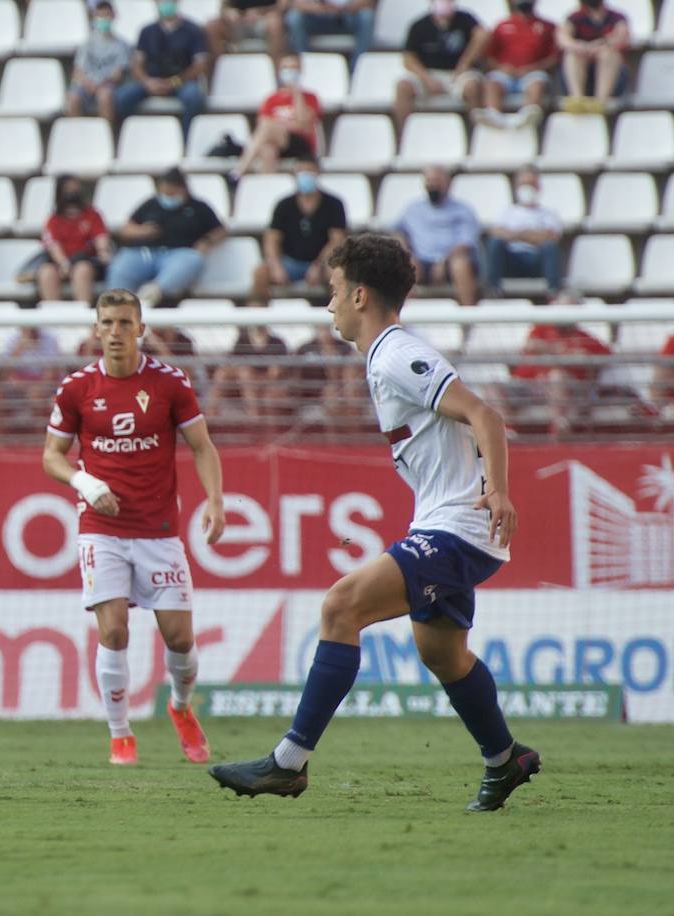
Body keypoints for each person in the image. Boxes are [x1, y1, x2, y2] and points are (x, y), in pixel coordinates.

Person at [209, 232, 539, 813]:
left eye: (333, 290)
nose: (328, 303)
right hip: (448, 523)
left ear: (360, 295)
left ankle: (288, 764)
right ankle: (504, 758)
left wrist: (499, 492)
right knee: (441, 653)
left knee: (341, 606)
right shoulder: (383, 356)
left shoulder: (395, 353)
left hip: (458, 526)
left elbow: (484, 413)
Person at [43, 288, 225, 765]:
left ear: (141, 328)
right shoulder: (76, 389)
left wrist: (215, 500)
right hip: (100, 529)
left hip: (159, 530)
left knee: (181, 639)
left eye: (126, 323)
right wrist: (84, 481)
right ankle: (120, 733)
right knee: (114, 630)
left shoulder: (170, 383)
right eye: (108, 323)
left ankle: (181, 708)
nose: (117, 332)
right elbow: (51, 457)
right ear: (95, 329)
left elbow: (203, 446)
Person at [105, 168, 226, 308]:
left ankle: (153, 293)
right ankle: (117, 304)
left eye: (172, 192)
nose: (167, 196)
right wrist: (142, 231)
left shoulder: (199, 207)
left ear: (183, 189)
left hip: (178, 253)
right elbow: (125, 229)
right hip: (144, 253)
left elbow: (221, 230)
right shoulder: (151, 204)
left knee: (193, 259)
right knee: (122, 263)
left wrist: (207, 241)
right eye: (165, 192)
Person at [508, 295, 611, 436]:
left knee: (557, 376)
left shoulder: (584, 338)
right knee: (492, 388)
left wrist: (578, 356)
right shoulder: (540, 330)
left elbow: (604, 357)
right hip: (529, 386)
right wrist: (559, 349)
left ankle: (559, 429)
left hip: (565, 390)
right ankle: (507, 432)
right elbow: (530, 346)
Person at [251, 156, 347, 300]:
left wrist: (319, 265)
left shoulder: (334, 204)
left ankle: (339, 319)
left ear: (318, 173)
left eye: (309, 171)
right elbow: (272, 239)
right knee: (261, 273)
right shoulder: (284, 204)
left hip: (322, 263)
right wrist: (276, 265)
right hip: (290, 262)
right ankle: (256, 318)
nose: (305, 175)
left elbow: (337, 240)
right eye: (301, 171)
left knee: (338, 276)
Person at [114, 0, 209, 137]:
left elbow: (200, 65)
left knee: (194, 97)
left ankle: (185, 140)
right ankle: (131, 137)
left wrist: (173, 82)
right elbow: (137, 63)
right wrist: (147, 81)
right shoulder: (147, 31)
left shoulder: (193, 30)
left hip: (180, 82)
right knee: (122, 97)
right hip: (151, 81)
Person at [395, 1, 487, 137]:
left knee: (472, 87)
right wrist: (426, 79)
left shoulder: (465, 19)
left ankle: (476, 135)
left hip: (458, 73)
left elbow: (482, 35)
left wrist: (464, 64)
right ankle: (402, 137)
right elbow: (408, 58)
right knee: (403, 86)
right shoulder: (419, 25)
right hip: (429, 73)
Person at [397, 165, 481, 307]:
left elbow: (466, 243)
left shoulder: (462, 210)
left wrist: (443, 260)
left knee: (460, 264)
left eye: (437, 180)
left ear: (447, 183)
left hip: (450, 261)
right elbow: (398, 231)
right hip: (421, 261)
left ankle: (468, 319)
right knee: (405, 265)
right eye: (430, 181)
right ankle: (401, 319)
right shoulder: (413, 209)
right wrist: (406, 251)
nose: (433, 185)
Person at [232, 54, 323, 176]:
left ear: (300, 70)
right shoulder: (271, 99)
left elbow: (304, 126)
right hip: (278, 143)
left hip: (301, 144)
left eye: (293, 68)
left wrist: (296, 93)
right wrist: (288, 124)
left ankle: (239, 171)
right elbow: (262, 126)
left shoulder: (311, 98)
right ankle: (267, 186)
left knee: (268, 128)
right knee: (267, 150)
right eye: (286, 68)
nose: (289, 72)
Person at [206, 299, 291, 424]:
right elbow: (231, 362)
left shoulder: (277, 342)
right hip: (243, 381)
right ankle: (210, 414)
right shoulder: (243, 340)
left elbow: (275, 373)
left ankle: (254, 417)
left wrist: (251, 375)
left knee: (246, 374)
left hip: (267, 382)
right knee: (224, 373)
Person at [483, 166, 562, 298]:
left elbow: (551, 237)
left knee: (550, 248)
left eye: (531, 184)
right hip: (511, 260)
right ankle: (492, 290)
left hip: (536, 260)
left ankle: (553, 293)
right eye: (523, 184)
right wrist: (528, 234)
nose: (527, 188)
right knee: (494, 244)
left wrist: (513, 235)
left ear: (538, 187)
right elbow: (495, 232)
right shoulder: (506, 212)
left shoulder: (549, 214)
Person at [478, 0, 559, 127]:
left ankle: (525, 120)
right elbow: (489, 57)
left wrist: (532, 68)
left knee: (537, 84)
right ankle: (495, 118)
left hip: (532, 74)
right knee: (492, 84)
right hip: (506, 74)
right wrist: (502, 68)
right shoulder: (502, 25)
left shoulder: (548, 26)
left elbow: (554, 58)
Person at [38, 175, 112, 304]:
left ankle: (82, 319)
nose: (72, 193)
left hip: (87, 262)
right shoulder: (54, 219)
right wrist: (63, 263)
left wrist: (103, 252)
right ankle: (54, 319)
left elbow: (101, 238)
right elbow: (53, 244)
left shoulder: (92, 215)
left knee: (81, 270)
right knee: (46, 273)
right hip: (62, 264)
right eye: (68, 189)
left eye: (75, 189)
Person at [557, 0, 628, 114]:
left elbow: (622, 37)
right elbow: (563, 38)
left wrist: (601, 45)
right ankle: (577, 98)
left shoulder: (617, 17)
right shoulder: (575, 17)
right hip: (584, 71)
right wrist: (582, 47)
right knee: (572, 55)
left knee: (609, 54)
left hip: (612, 75)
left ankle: (601, 101)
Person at [67, 2, 132, 121]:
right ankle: (76, 133)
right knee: (73, 97)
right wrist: (89, 84)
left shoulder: (121, 45)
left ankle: (107, 135)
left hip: (107, 85)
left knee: (105, 97)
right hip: (86, 85)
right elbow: (78, 72)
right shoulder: (87, 43)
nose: (103, 19)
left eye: (106, 15)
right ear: (94, 17)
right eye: (100, 15)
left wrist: (100, 84)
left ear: (113, 16)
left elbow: (118, 75)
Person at [286, 0, 375, 72]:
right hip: (315, 15)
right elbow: (293, 3)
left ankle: (357, 71)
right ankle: (305, 68)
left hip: (346, 15)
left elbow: (367, 2)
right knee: (294, 17)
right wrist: (315, 7)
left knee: (367, 16)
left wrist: (343, 8)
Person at [205, 1, 287, 68]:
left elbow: (282, 5)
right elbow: (224, 7)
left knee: (274, 24)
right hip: (238, 21)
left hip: (264, 19)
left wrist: (260, 11)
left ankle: (274, 71)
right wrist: (229, 12)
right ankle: (218, 72)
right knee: (212, 27)